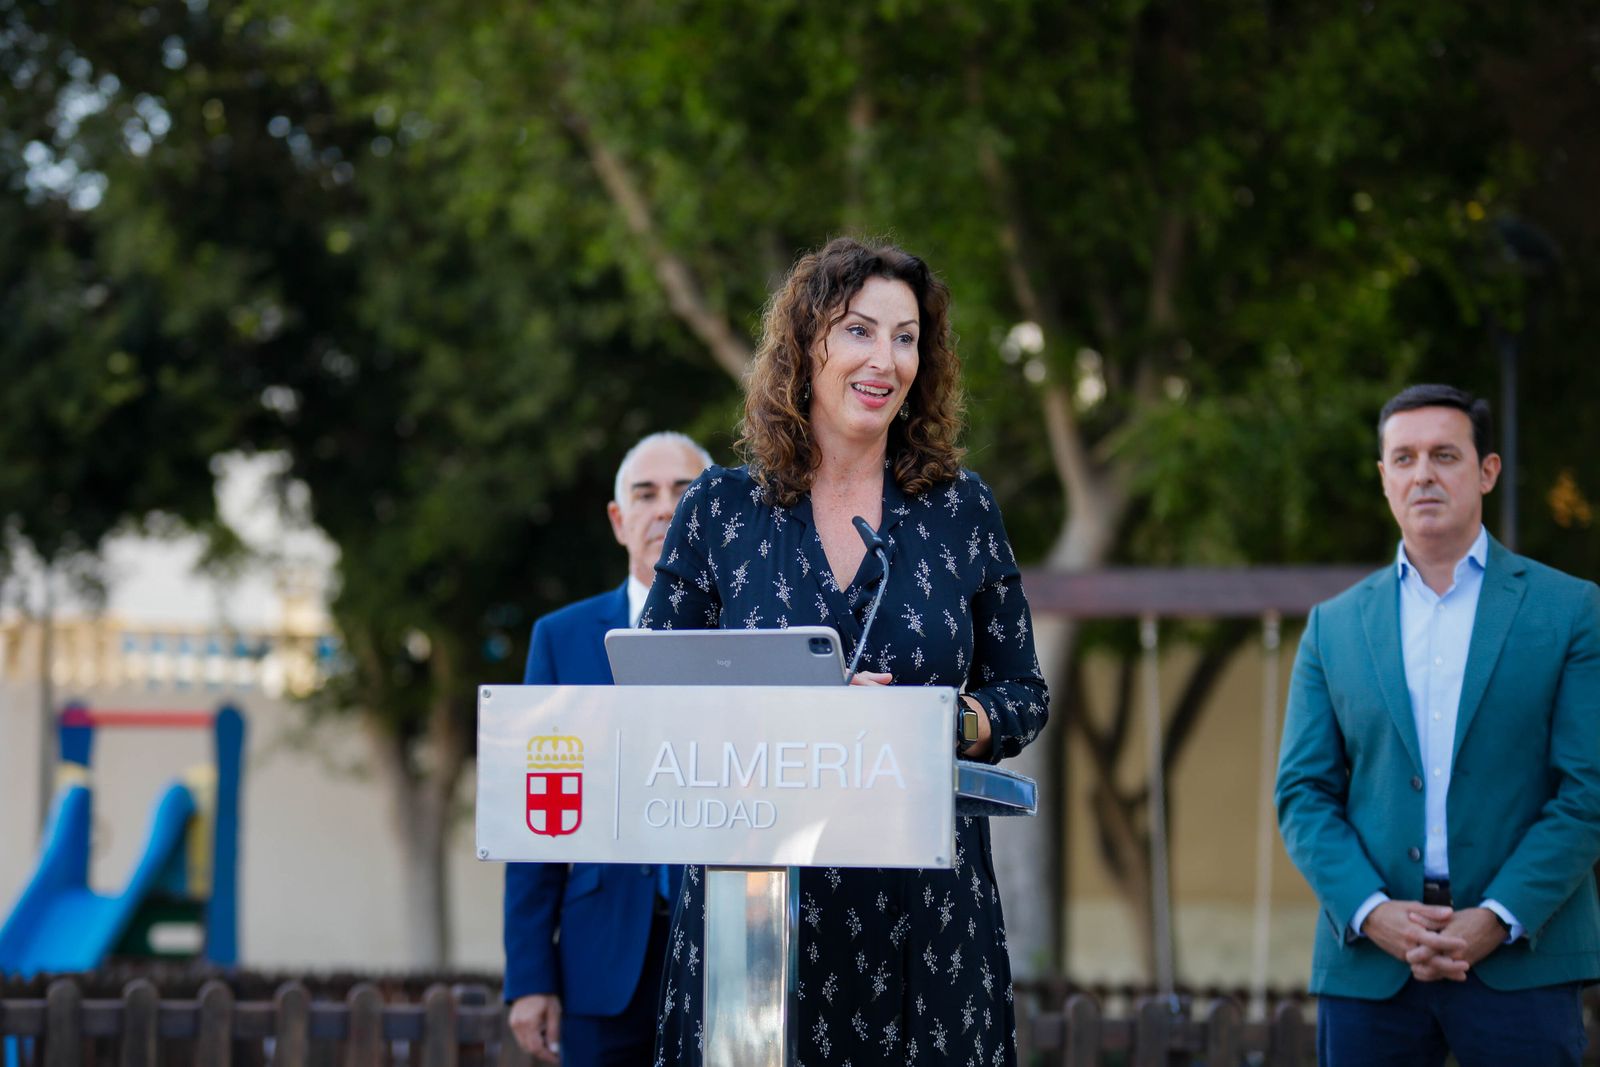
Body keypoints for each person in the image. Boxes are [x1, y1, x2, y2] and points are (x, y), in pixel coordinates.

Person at [638, 237, 1049, 1066]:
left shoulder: (962, 510)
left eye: (906, 337)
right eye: (859, 330)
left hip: (928, 919)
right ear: (805, 344)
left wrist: (937, 718)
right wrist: (803, 715)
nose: (885, 360)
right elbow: (653, 691)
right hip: (756, 920)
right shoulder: (720, 510)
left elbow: (1022, 693)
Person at [1275, 384, 1600, 1066]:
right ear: (1384, 476)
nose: (1422, 472)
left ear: (1486, 471)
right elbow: (1302, 795)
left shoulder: (1571, 610)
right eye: (1404, 457)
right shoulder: (1332, 627)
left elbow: (1587, 792)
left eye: (1444, 454)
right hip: (1371, 962)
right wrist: (1371, 910)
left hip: (1525, 958)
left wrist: (1499, 916)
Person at [503, 431, 713, 1066]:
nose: (663, 509)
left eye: (684, 492)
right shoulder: (561, 640)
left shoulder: (760, 633)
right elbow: (536, 820)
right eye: (644, 495)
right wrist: (531, 976)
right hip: (598, 962)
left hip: (725, 951)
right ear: (620, 521)